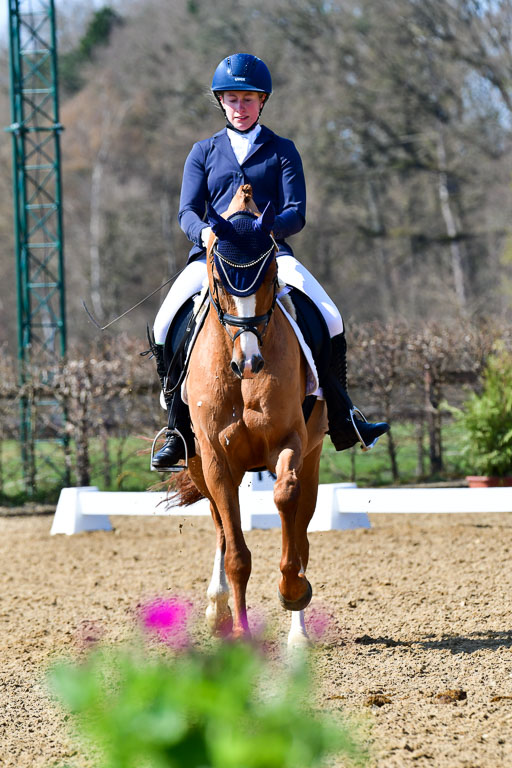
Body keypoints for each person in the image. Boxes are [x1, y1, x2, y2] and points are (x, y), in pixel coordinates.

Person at [151, 53, 389, 469]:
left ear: (262, 101)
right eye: (232, 99)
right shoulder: (203, 152)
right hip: (214, 258)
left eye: (248, 99)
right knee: (162, 323)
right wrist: (206, 235)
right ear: (221, 102)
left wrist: (266, 231)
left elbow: (296, 212)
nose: (240, 107)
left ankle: (343, 413)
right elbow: (186, 211)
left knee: (331, 317)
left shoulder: (282, 150)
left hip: (270, 255)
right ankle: (178, 428)